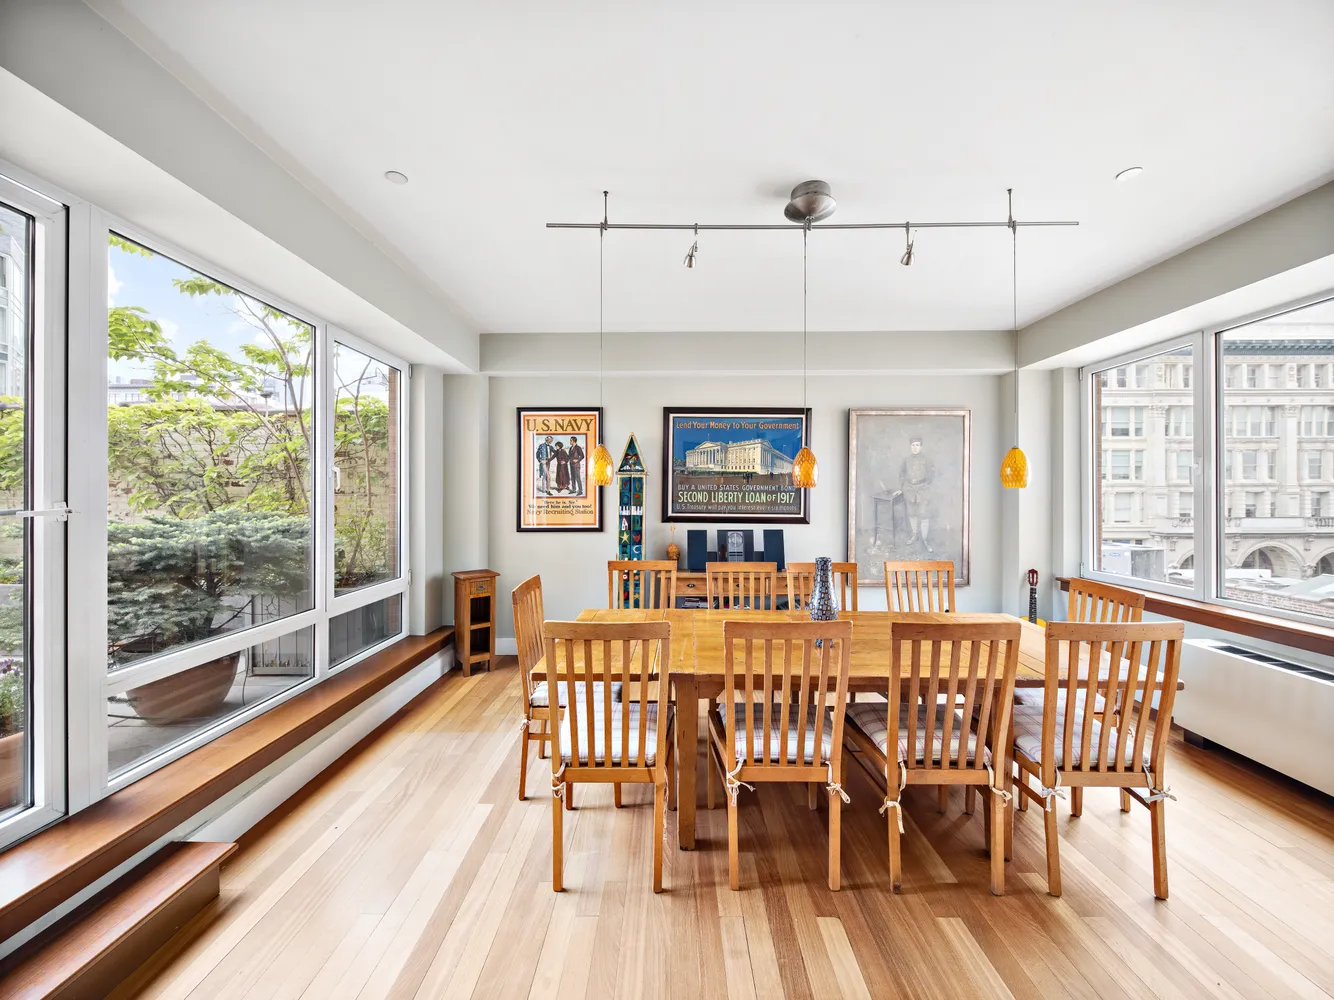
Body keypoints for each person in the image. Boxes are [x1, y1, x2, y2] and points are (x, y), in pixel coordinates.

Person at [893, 435, 936, 552]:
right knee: (912, 513)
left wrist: (924, 484)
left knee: (923, 514)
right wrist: (902, 487)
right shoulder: (906, 460)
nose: (915, 448)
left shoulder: (927, 459)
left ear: (921, 447)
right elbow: (901, 474)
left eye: (917, 445)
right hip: (909, 489)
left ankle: (924, 540)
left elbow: (931, 473)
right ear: (910, 447)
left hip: (923, 490)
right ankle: (915, 535)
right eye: (913, 445)